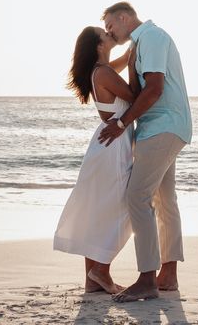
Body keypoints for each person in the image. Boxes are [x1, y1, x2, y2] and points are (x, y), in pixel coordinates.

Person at [98, 2, 192, 303]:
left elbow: (154, 88)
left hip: (162, 126)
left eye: (111, 25)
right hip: (163, 126)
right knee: (164, 200)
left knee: (137, 196)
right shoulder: (140, 42)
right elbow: (108, 71)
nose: (109, 30)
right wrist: (104, 51)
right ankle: (168, 276)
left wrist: (123, 123)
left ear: (124, 17)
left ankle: (147, 279)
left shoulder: (150, 38)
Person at [53, 25, 138, 294]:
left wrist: (136, 44)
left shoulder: (102, 69)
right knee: (123, 208)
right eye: (105, 33)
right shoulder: (103, 73)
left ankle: (93, 281)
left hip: (108, 143)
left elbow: (124, 61)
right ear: (98, 44)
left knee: (100, 211)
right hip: (113, 144)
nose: (109, 33)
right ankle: (101, 270)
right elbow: (137, 97)